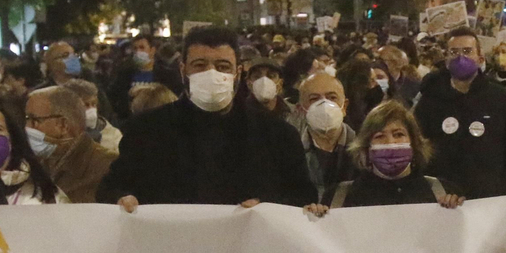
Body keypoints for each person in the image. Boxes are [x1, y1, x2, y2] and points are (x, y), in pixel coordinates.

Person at [101, 25, 314, 210]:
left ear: (237, 73)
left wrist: (268, 206)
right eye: (200, 65)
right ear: (183, 70)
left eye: (222, 66)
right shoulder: (147, 130)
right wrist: (122, 198)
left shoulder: (277, 135)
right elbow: (112, 187)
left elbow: (302, 197)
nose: (211, 73)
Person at [413, 27, 506, 198]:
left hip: (491, 201)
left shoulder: (502, 98)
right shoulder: (430, 101)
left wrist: (505, 190)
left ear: (480, 58)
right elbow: (418, 149)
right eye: (454, 52)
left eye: (467, 51)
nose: (460, 57)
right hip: (442, 202)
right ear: (446, 59)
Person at [306, 100, 467, 210]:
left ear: (414, 142)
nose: (390, 142)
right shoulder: (338, 198)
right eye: (379, 136)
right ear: (366, 147)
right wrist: (315, 218)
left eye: (398, 134)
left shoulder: (443, 192)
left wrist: (457, 210)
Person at [25, 86, 116, 203]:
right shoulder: (34, 164)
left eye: (34, 120)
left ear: (63, 125)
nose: (27, 127)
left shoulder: (108, 167)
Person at [293, 72, 356, 202]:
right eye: (314, 99)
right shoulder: (290, 153)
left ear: (344, 106)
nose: (324, 104)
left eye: (332, 97)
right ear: (300, 109)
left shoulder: (363, 150)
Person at [64, 78, 122, 153]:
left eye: (94, 104)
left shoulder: (113, 136)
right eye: (86, 105)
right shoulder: (55, 133)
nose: (91, 109)